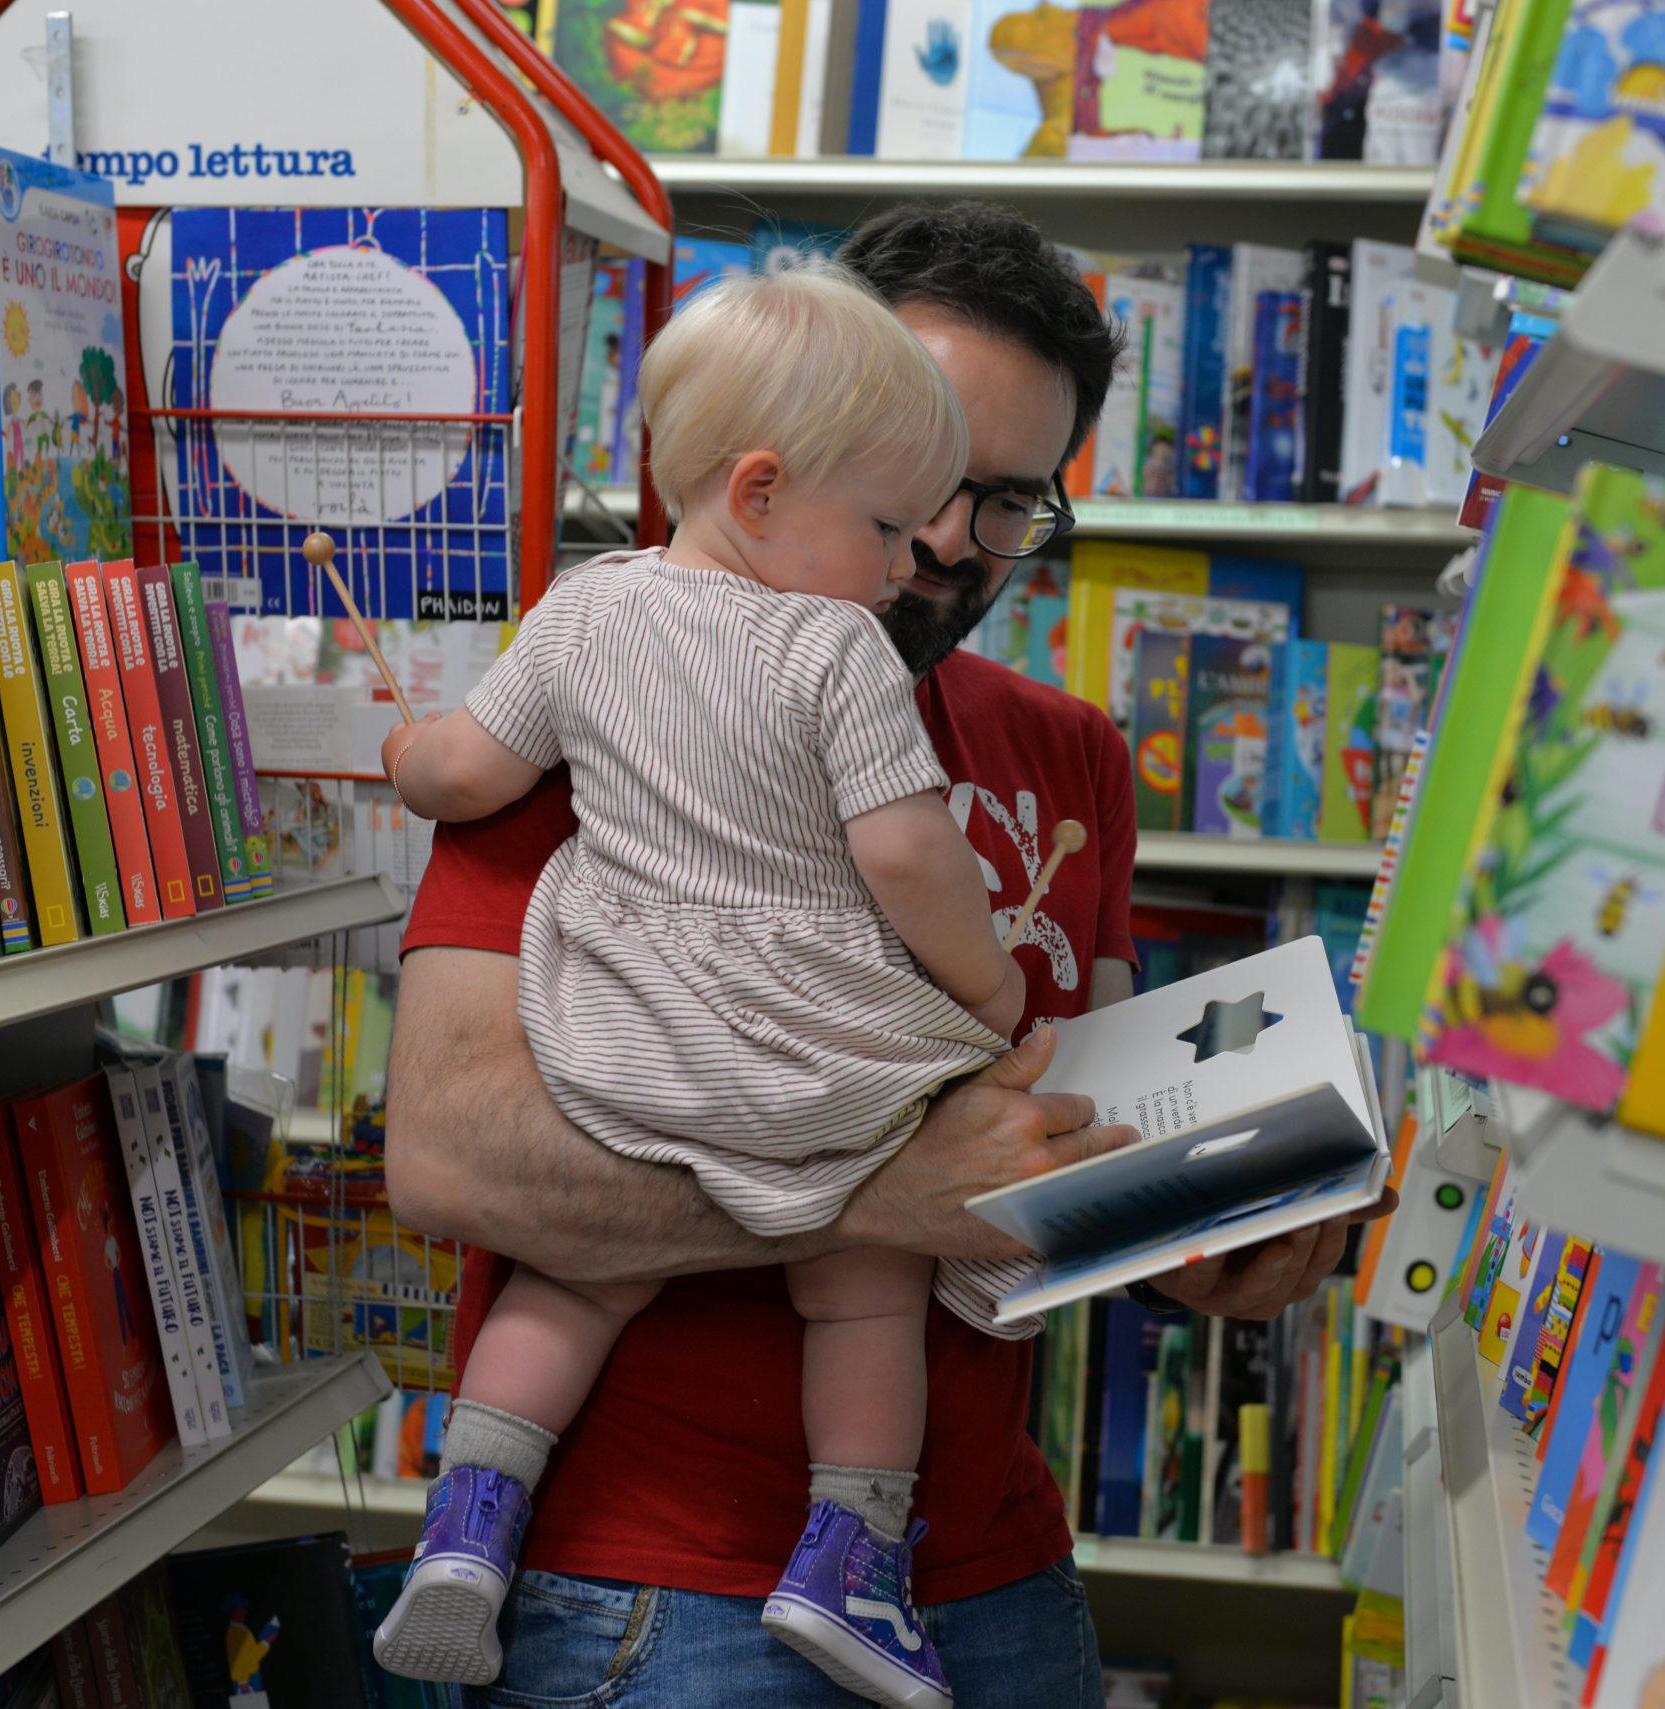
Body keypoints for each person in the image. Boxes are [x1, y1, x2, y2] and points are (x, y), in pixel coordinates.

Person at [386, 201, 1394, 1708]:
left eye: (998, 498)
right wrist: (883, 1189)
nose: (936, 543)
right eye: (907, 478)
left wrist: (1195, 1232)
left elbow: (1066, 1130)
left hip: (995, 1577)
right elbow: (453, 1164)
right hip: (660, 1599)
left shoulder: (1074, 754)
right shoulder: (610, 692)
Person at [371, 266, 1034, 1707]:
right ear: (757, 489)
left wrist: (398, 753)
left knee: (578, 1270)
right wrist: (984, 992)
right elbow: (910, 855)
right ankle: (848, 1557)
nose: (904, 566)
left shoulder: (581, 608)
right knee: (866, 1283)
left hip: (617, 1017)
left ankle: (468, 1521)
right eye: (881, 527)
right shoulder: (832, 644)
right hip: (799, 1032)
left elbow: (466, 770)